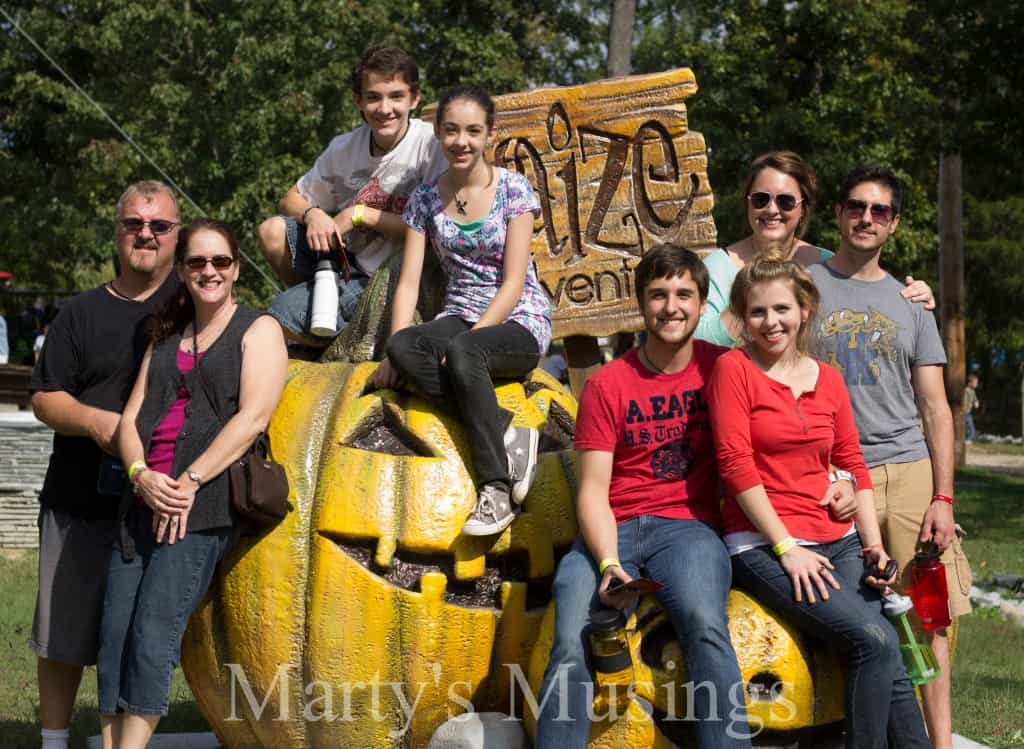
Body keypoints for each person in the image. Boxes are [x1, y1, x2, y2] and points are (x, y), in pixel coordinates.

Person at [707, 250, 930, 749]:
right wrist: (786, 548)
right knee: (871, 642)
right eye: (758, 311)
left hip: (840, 541)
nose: (770, 322)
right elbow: (735, 465)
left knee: (888, 648)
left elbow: (852, 459)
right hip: (765, 545)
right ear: (743, 317)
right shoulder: (733, 370)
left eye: (782, 309)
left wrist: (873, 546)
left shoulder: (827, 377)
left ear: (804, 310)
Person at [535, 244, 750, 749]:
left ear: (703, 306)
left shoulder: (725, 369)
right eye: (658, 294)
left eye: (684, 294)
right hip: (615, 525)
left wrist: (840, 473)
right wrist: (609, 561)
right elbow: (592, 490)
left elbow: (783, 424)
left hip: (689, 528)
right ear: (641, 304)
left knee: (704, 624)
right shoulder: (609, 385)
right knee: (571, 637)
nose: (671, 306)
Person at [98, 218, 287, 749]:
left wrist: (187, 482)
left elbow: (252, 418)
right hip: (142, 503)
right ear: (182, 271)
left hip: (198, 508)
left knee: (153, 633)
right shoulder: (165, 338)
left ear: (236, 268)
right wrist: (140, 477)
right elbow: (131, 422)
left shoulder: (258, 329)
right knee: (114, 637)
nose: (209, 271)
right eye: (198, 262)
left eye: (220, 261)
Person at [809, 164, 970, 749]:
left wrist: (942, 496)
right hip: (831, 475)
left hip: (905, 471)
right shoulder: (805, 286)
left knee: (929, 617)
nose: (866, 219)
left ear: (894, 223)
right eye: (856, 207)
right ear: (838, 213)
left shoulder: (911, 303)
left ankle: (940, 743)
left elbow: (935, 407)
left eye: (879, 211)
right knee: (852, 622)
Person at [28, 181, 180, 749]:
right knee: (61, 633)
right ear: (117, 232)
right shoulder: (81, 313)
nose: (146, 234)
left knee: (139, 637)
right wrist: (99, 425)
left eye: (159, 226)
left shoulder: (195, 306)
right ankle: (53, 739)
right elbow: (45, 396)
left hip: (164, 505)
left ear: (176, 235)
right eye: (134, 224)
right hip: (79, 496)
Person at [370, 85, 549, 536]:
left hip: (516, 318)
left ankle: (495, 489)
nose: (461, 141)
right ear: (438, 133)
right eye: (451, 130)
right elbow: (408, 282)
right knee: (406, 345)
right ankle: (507, 430)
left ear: (490, 134)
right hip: (458, 313)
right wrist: (392, 353)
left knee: (466, 352)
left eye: (472, 131)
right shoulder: (426, 200)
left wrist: (469, 340)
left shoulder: (514, 190)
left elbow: (512, 283)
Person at [258, 45, 446, 346]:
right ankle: (325, 319)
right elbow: (290, 199)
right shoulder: (344, 147)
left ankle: (326, 326)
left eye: (396, 96)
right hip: (348, 265)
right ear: (358, 100)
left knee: (277, 318)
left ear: (415, 98)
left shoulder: (432, 145)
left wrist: (361, 215)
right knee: (273, 231)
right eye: (373, 97)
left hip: (395, 277)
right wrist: (314, 214)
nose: (385, 109)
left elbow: (438, 226)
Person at [697, 150, 932, 347]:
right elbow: (698, 344)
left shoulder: (825, 264)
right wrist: (753, 290)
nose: (771, 210)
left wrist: (913, 297)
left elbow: (866, 304)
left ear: (803, 210)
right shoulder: (717, 267)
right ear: (748, 204)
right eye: (761, 199)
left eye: (785, 201)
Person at [963, 372, 980, 443]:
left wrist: (976, 402)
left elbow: (975, 399)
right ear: (969, 383)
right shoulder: (966, 390)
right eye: (975, 383)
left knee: (970, 426)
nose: (977, 384)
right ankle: (968, 439)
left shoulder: (973, 392)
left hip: (968, 412)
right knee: (968, 426)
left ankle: (969, 439)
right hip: (964, 412)